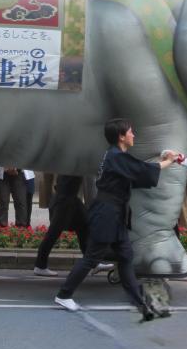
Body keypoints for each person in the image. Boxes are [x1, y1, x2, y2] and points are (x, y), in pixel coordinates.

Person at [54, 118, 177, 319]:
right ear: (121, 136)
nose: (133, 135)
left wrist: (163, 161)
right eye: (131, 132)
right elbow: (143, 170)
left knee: (126, 256)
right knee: (93, 257)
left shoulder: (116, 156)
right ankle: (64, 294)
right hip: (106, 213)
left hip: (115, 213)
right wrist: (169, 161)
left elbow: (137, 173)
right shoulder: (115, 156)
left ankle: (139, 302)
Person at [34, 174, 89, 276]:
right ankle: (40, 266)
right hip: (64, 200)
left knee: (85, 226)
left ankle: (91, 261)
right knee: (53, 233)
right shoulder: (72, 162)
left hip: (71, 198)